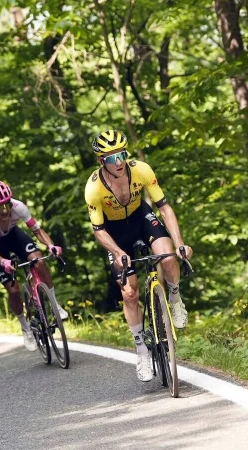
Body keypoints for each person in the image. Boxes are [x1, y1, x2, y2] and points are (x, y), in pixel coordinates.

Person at [84, 130, 193, 382]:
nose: (119, 162)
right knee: (129, 292)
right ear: (101, 161)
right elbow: (98, 231)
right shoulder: (93, 189)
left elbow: (164, 208)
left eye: (122, 155)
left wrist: (179, 243)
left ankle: (175, 298)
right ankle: (141, 350)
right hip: (113, 231)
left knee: (167, 258)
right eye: (112, 158)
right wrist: (117, 252)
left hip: (140, 218)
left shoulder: (142, 170)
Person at [0, 181, 69, 352]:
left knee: (39, 261)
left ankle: (56, 306)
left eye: (6, 204)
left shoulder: (19, 207)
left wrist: (50, 246)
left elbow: (38, 231)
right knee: (14, 290)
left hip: (14, 236)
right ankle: (25, 328)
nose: (4, 210)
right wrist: (4, 262)